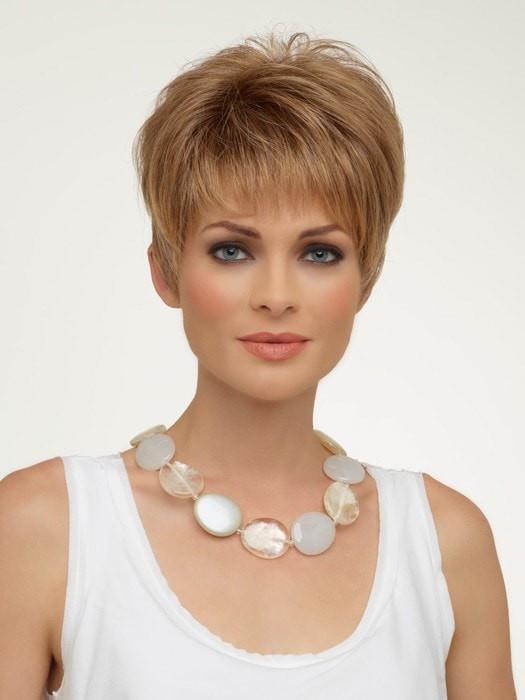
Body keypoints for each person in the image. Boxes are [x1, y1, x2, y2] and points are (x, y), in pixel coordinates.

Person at [0, 31, 516, 700]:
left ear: (365, 278)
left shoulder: (445, 544)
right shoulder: (45, 527)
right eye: (232, 251)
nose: (276, 295)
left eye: (319, 253)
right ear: (166, 272)